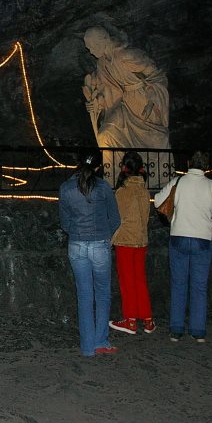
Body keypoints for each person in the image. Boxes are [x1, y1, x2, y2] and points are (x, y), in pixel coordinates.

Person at [81, 26, 170, 187]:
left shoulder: (127, 55)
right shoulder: (103, 63)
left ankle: (158, 179)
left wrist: (152, 100)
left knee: (154, 140)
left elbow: (157, 75)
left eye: (92, 47)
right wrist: (97, 103)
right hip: (124, 102)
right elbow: (108, 89)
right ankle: (112, 178)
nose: (91, 52)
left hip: (143, 101)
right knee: (105, 135)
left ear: (103, 41)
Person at [153, 150, 212, 342]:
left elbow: (158, 201)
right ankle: (198, 330)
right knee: (199, 286)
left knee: (178, 284)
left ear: (188, 163)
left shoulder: (178, 182)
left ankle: (176, 329)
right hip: (202, 238)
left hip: (178, 236)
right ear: (207, 166)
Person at [58, 149, 122, 356]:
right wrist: (104, 234)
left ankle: (87, 347)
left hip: (76, 244)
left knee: (84, 295)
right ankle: (100, 341)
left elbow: (65, 222)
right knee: (102, 294)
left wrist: (77, 232)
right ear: (98, 167)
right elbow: (115, 219)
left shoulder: (66, 188)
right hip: (100, 244)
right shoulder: (103, 187)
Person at [109, 152, 156, 335]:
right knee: (140, 279)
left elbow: (117, 218)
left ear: (124, 168)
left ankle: (129, 320)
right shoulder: (145, 191)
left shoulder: (122, 192)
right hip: (141, 239)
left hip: (126, 240)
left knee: (127, 281)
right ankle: (148, 319)